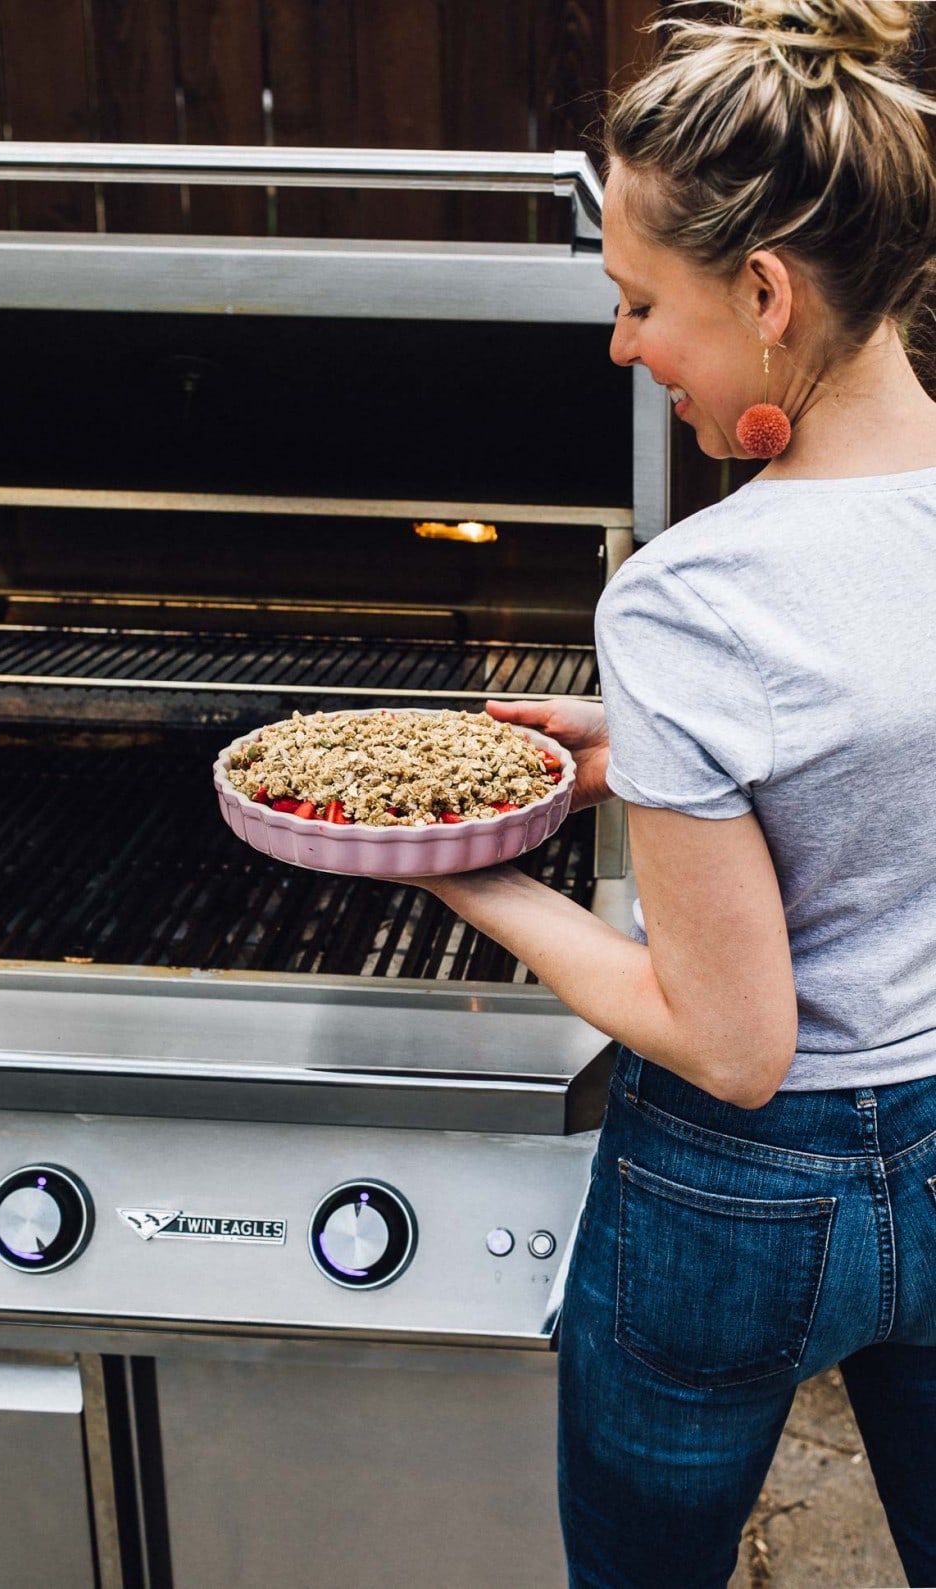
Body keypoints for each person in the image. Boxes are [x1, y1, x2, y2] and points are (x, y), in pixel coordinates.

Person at [398, 2, 936, 1584]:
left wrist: (472, 872)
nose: (624, 344)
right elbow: (890, 735)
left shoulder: (691, 599)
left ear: (766, 292)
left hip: (736, 1202)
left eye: (641, 302)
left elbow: (733, 1038)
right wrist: (657, 760)